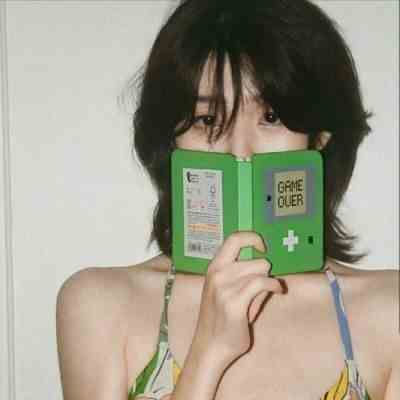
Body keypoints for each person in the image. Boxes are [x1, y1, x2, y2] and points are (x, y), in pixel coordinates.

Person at [56, 0, 399, 399]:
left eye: (271, 117)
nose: (240, 152)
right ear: (170, 138)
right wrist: (209, 351)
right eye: (208, 120)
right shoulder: (98, 306)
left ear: (320, 135)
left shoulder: (388, 312)